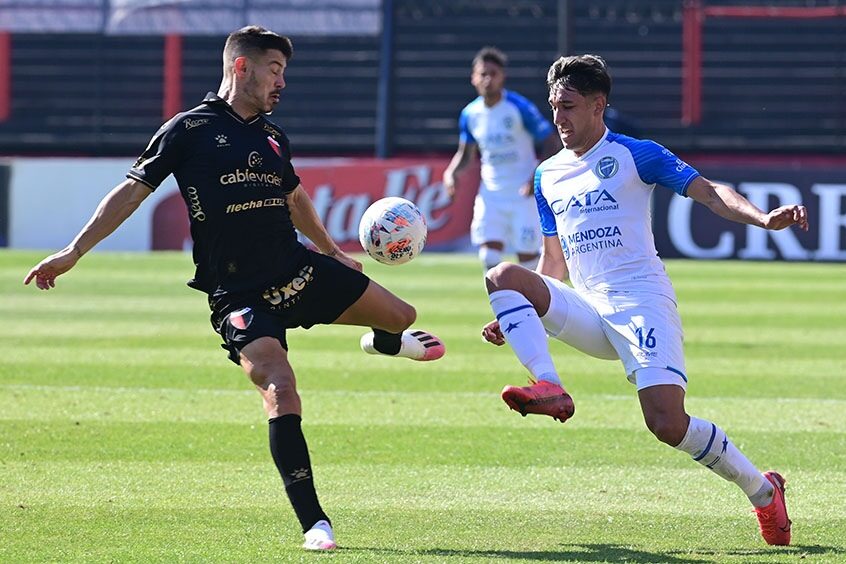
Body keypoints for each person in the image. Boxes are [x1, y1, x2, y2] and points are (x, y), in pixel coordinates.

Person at [23, 26, 445, 552]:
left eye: (284, 72)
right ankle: (316, 523)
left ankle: (382, 343)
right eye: (274, 70)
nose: (282, 82)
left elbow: (295, 200)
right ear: (241, 67)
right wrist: (74, 251)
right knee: (279, 386)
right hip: (237, 293)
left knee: (401, 317)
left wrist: (334, 253)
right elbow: (131, 193)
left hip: (297, 269)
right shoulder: (188, 130)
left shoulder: (273, 136)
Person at [481, 54, 806, 546]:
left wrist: (762, 219)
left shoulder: (637, 154)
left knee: (666, 423)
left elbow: (712, 192)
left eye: (567, 106)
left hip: (641, 303)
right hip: (588, 306)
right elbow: (553, 263)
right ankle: (550, 386)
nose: (558, 119)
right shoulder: (548, 175)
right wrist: (518, 312)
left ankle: (763, 492)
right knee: (503, 274)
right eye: (553, 107)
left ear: (598, 105)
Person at [443, 46, 561, 272]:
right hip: (491, 195)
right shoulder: (470, 114)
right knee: (488, 255)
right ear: (473, 78)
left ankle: (537, 303)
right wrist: (451, 173)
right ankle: (502, 305)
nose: (488, 79)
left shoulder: (519, 107)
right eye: (482, 74)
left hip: (522, 194)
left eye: (493, 74)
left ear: (502, 77)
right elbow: (466, 154)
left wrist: (534, 178)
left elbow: (551, 142)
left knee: (528, 259)